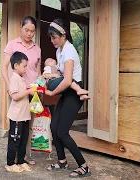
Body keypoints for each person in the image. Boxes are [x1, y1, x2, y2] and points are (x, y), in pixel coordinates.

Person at [45, 18, 91, 178]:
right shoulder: (59, 50)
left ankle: (83, 166)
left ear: (63, 35)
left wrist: (51, 93)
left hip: (72, 91)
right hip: (66, 90)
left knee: (62, 131)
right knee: (54, 126)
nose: (52, 41)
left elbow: (67, 79)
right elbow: (61, 75)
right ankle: (62, 161)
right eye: (51, 38)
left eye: (54, 37)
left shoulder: (70, 50)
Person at [2, 16, 41, 165]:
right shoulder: (12, 44)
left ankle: (22, 158)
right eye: (27, 30)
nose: (29, 34)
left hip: (32, 91)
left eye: (32, 31)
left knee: (27, 125)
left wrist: (38, 87)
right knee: (16, 125)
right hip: (17, 90)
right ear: (21, 27)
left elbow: (37, 71)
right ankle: (12, 160)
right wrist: (8, 84)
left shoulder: (37, 49)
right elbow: (5, 66)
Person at [5, 52, 35, 173]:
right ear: (16, 65)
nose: (26, 68)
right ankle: (10, 163)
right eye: (24, 66)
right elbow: (15, 96)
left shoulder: (21, 79)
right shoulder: (14, 79)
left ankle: (21, 161)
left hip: (24, 116)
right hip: (16, 116)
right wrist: (28, 92)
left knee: (23, 140)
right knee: (14, 140)